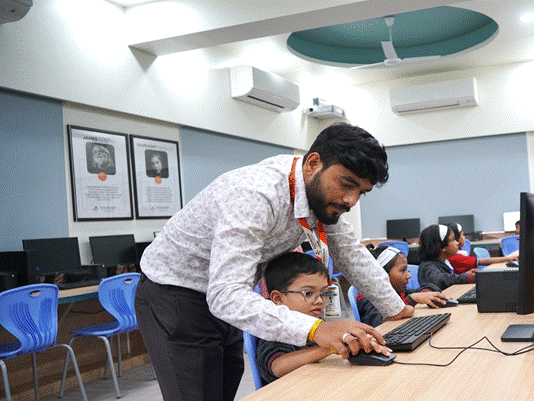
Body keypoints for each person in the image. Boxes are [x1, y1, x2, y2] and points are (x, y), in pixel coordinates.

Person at [135, 123, 412, 401]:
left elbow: (350, 253)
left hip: (224, 292)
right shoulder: (255, 195)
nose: (351, 200)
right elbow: (225, 294)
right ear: (313, 164)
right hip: (175, 293)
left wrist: (397, 309)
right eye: (347, 184)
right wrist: (317, 329)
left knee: (223, 388)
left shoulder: (318, 195)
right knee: (197, 394)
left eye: (361, 192)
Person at [255, 252, 391, 384]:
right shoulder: (274, 329)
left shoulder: (317, 322)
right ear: (278, 298)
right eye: (308, 293)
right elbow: (278, 366)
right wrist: (333, 347)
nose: (320, 300)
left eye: (324, 293)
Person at [356, 246, 448, 327]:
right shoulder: (368, 300)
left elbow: (431, 287)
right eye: (403, 270)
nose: (409, 275)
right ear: (382, 274)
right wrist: (411, 300)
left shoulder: (397, 292)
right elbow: (380, 323)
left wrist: (425, 294)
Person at [417, 224, 476, 291]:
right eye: (453, 240)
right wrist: (466, 277)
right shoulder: (427, 267)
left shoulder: (443, 262)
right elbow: (440, 280)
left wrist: (464, 275)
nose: (457, 243)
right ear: (442, 247)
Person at [446, 223, 518, 274]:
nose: (464, 237)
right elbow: (485, 261)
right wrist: (509, 258)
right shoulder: (455, 257)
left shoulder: (458, 254)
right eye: (462, 235)